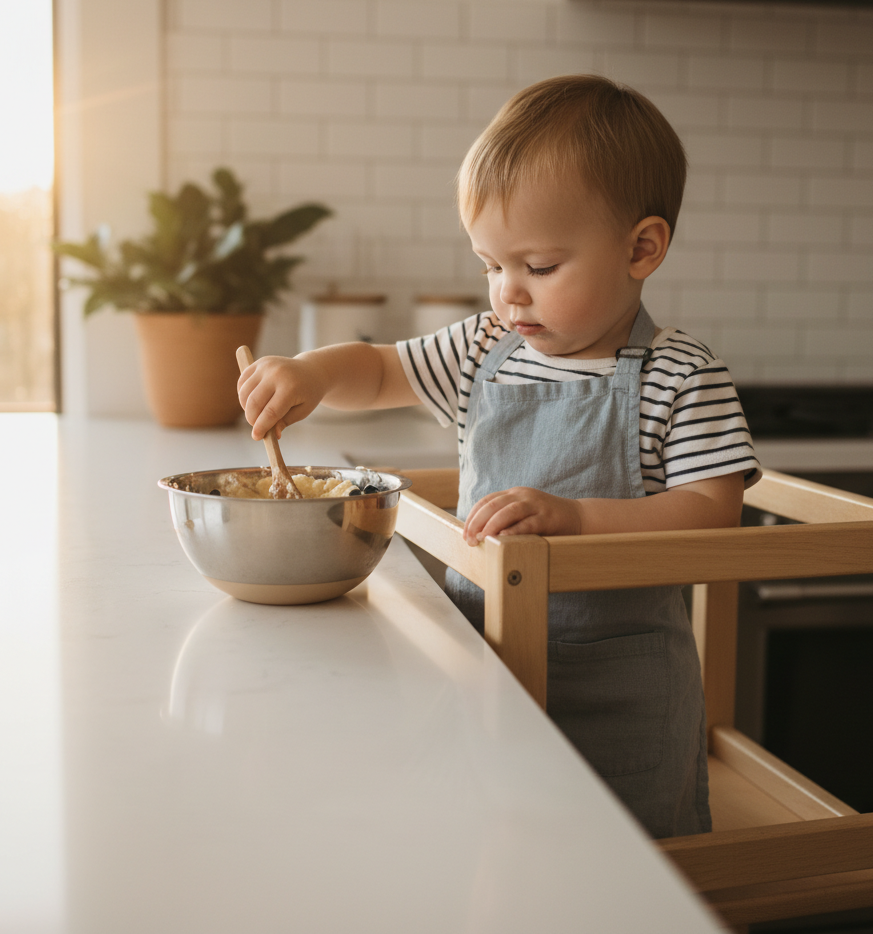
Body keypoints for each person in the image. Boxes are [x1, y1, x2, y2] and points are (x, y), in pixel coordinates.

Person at [238, 74, 761, 838]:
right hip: (480, 661)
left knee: (620, 864)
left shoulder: (681, 375)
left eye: (539, 267)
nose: (508, 294)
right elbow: (380, 370)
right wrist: (310, 373)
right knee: (499, 843)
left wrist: (578, 521)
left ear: (641, 248)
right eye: (490, 265)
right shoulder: (485, 346)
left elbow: (713, 515)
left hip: (622, 690)